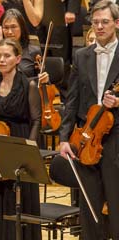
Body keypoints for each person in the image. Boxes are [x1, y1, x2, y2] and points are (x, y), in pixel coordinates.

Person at [49, 1, 119, 239]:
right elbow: (71, 100)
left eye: (105, 22)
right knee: (90, 211)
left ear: (116, 24)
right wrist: (64, 138)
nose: (99, 26)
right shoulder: (81, 56)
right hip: (87, 140)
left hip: (116, 141)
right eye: (95, 22)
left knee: (117, 207)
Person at [0, 38, 41, 240]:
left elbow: (36, 120)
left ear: (18, 59)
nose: (1, 59)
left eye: (6, 56)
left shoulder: (28, 85)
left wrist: (29, 150)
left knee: (19, 201)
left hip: (19, 145)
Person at [0, 8, 41, 79]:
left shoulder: (34, 51)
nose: (9, 32)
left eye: (13, 27)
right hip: (3, 89)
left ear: (21, 28)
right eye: (6, 27)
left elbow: (42, 81)